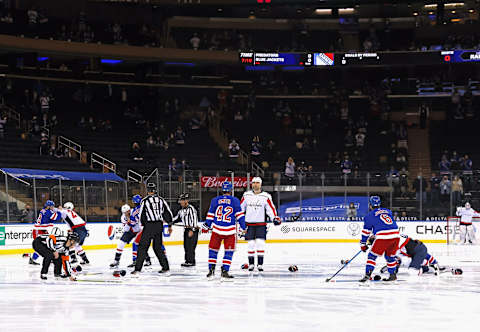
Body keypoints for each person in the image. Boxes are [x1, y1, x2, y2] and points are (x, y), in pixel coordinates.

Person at [202, 181, 246, 279]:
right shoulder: (235, 200)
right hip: (230, 231)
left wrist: (207, 225)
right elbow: (240, 216)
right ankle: (225, 271)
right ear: (230, 190)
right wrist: (244, 227)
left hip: (217, 230)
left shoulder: (215, 200)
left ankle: (211, 270)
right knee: (229, 252)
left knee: (213, 250)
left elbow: (210, 215)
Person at [241, 177, 281, 272]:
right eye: (254, 183)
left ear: (261, 184)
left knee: (260, 244)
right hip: (249, 224)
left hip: (261, 224)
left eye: (257, 183)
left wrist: (274, 218)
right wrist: (238, 219)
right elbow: (241, 208)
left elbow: (270, 209)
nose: (255, 184)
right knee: (250, 244)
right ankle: (251, 264)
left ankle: (260, 264)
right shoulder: (246, 195)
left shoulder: (266, 196)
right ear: (251, 184)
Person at [132, 183, 173, 275]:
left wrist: (143, 225)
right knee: (158, 247)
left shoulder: (145, 201)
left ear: (148, 190)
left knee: (142, 247)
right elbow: (167, 212)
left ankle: (137, 269)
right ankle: (165, 267)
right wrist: (169, 224)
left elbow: (141, 214)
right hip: (159, 225)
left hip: (149, 226)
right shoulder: (161, 200)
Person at [359, 196, 400, 282]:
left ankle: (367, 275)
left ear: (370, 205)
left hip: (383, 237)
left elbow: (366, 232)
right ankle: (393, 275)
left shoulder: (368, 216)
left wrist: (363, 244)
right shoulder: (388, 211)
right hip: (396, 235)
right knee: (390, 256)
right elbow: (384, 224)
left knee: (372, 256)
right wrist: (375, 235)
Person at [29, 200, 63, 265]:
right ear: (48, 206)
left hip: (41, 229)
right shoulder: (48, 212)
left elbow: (51, 219)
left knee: (47, 244)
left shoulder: (44, 210)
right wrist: (59, 211)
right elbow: (57, 217)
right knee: (42, 246)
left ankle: (48, 257)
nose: (53, 207)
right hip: (38, 230)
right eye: (52, 206)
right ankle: (33, 258)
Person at [173, 193, 199, 267]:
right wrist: (169, 221)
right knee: (186, 246)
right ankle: (187, 260)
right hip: (186, 230)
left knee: (191, 246)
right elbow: (177, 218)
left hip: (192, 230)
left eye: (181, 201)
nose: (180, 202)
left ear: (186, 201)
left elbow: (194, 220)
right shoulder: (181, 210)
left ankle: (191, 261)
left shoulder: (191, 209)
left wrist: (192, 230)